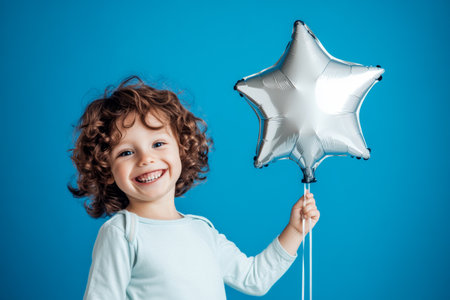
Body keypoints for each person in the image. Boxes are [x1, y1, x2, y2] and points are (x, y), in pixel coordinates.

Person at [68, 75, 320, 300]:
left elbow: (254, 278)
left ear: (181, 147)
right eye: (126, 152)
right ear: (106, 168)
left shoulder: (202, 231)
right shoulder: (123, 233)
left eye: (157, 144)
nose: (145, 159)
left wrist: (295, 231)